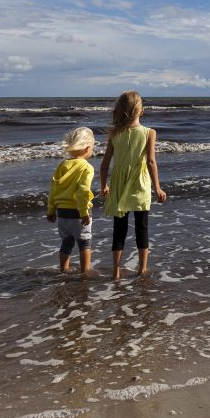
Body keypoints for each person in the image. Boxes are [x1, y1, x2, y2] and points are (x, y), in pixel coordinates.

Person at [100, 91, 167, 280]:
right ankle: (142, 268)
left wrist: (103, 185)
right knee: (142, 227)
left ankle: (116, 272)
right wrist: (157, 188)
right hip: (140, 183)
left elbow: (105, 164)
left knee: (119, 229)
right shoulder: (149, 133)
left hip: (119, 183)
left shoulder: (115, 134)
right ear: (140, 110)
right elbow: (151, 162)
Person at [46, 126, 95, 276]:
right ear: (87, 148)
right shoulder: (87, 167)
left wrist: (51, 209)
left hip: (62, 212)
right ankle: (85, 272)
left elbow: (54, 188)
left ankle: (63, 270)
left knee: (66, 241)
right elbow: (83, 191)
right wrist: (84, 212)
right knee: (84, 242)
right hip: (78, 211)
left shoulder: (62, 165)